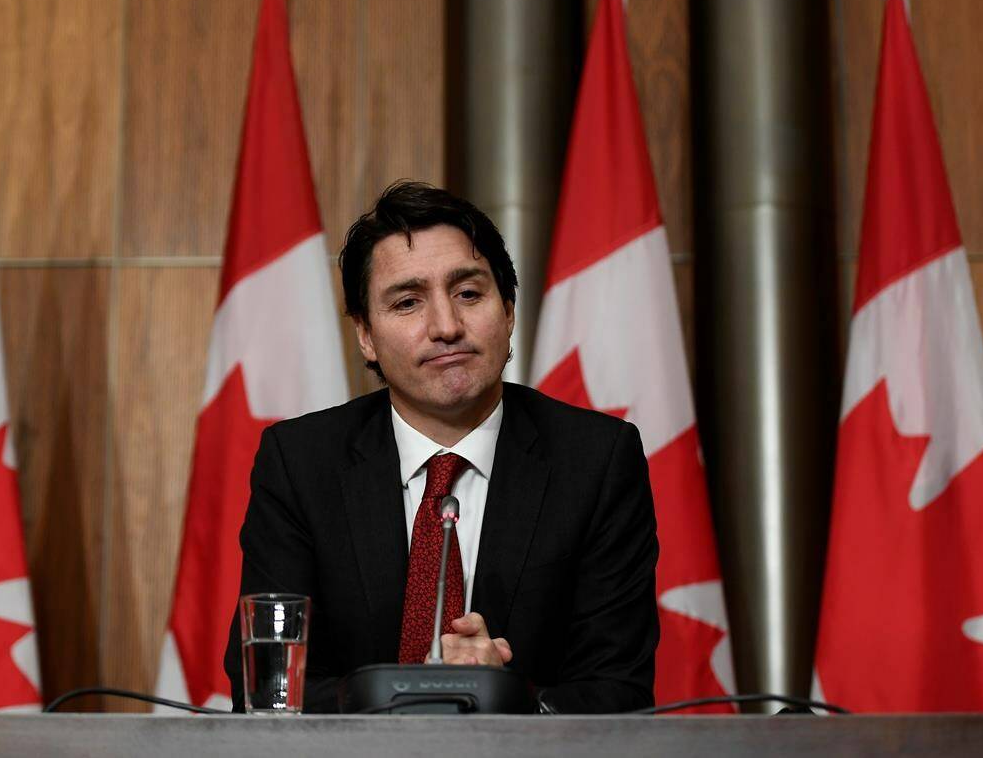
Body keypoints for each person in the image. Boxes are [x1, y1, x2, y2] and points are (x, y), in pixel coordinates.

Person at [225, 181, 658, 713]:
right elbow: (267, 686)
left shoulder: (596, 460)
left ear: (509, 310)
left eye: (469, 294)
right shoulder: (300, 463)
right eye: (408, 302)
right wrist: (402, 698)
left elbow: (620, 689)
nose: (446, 326)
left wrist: (509, 698)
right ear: (365, 335)